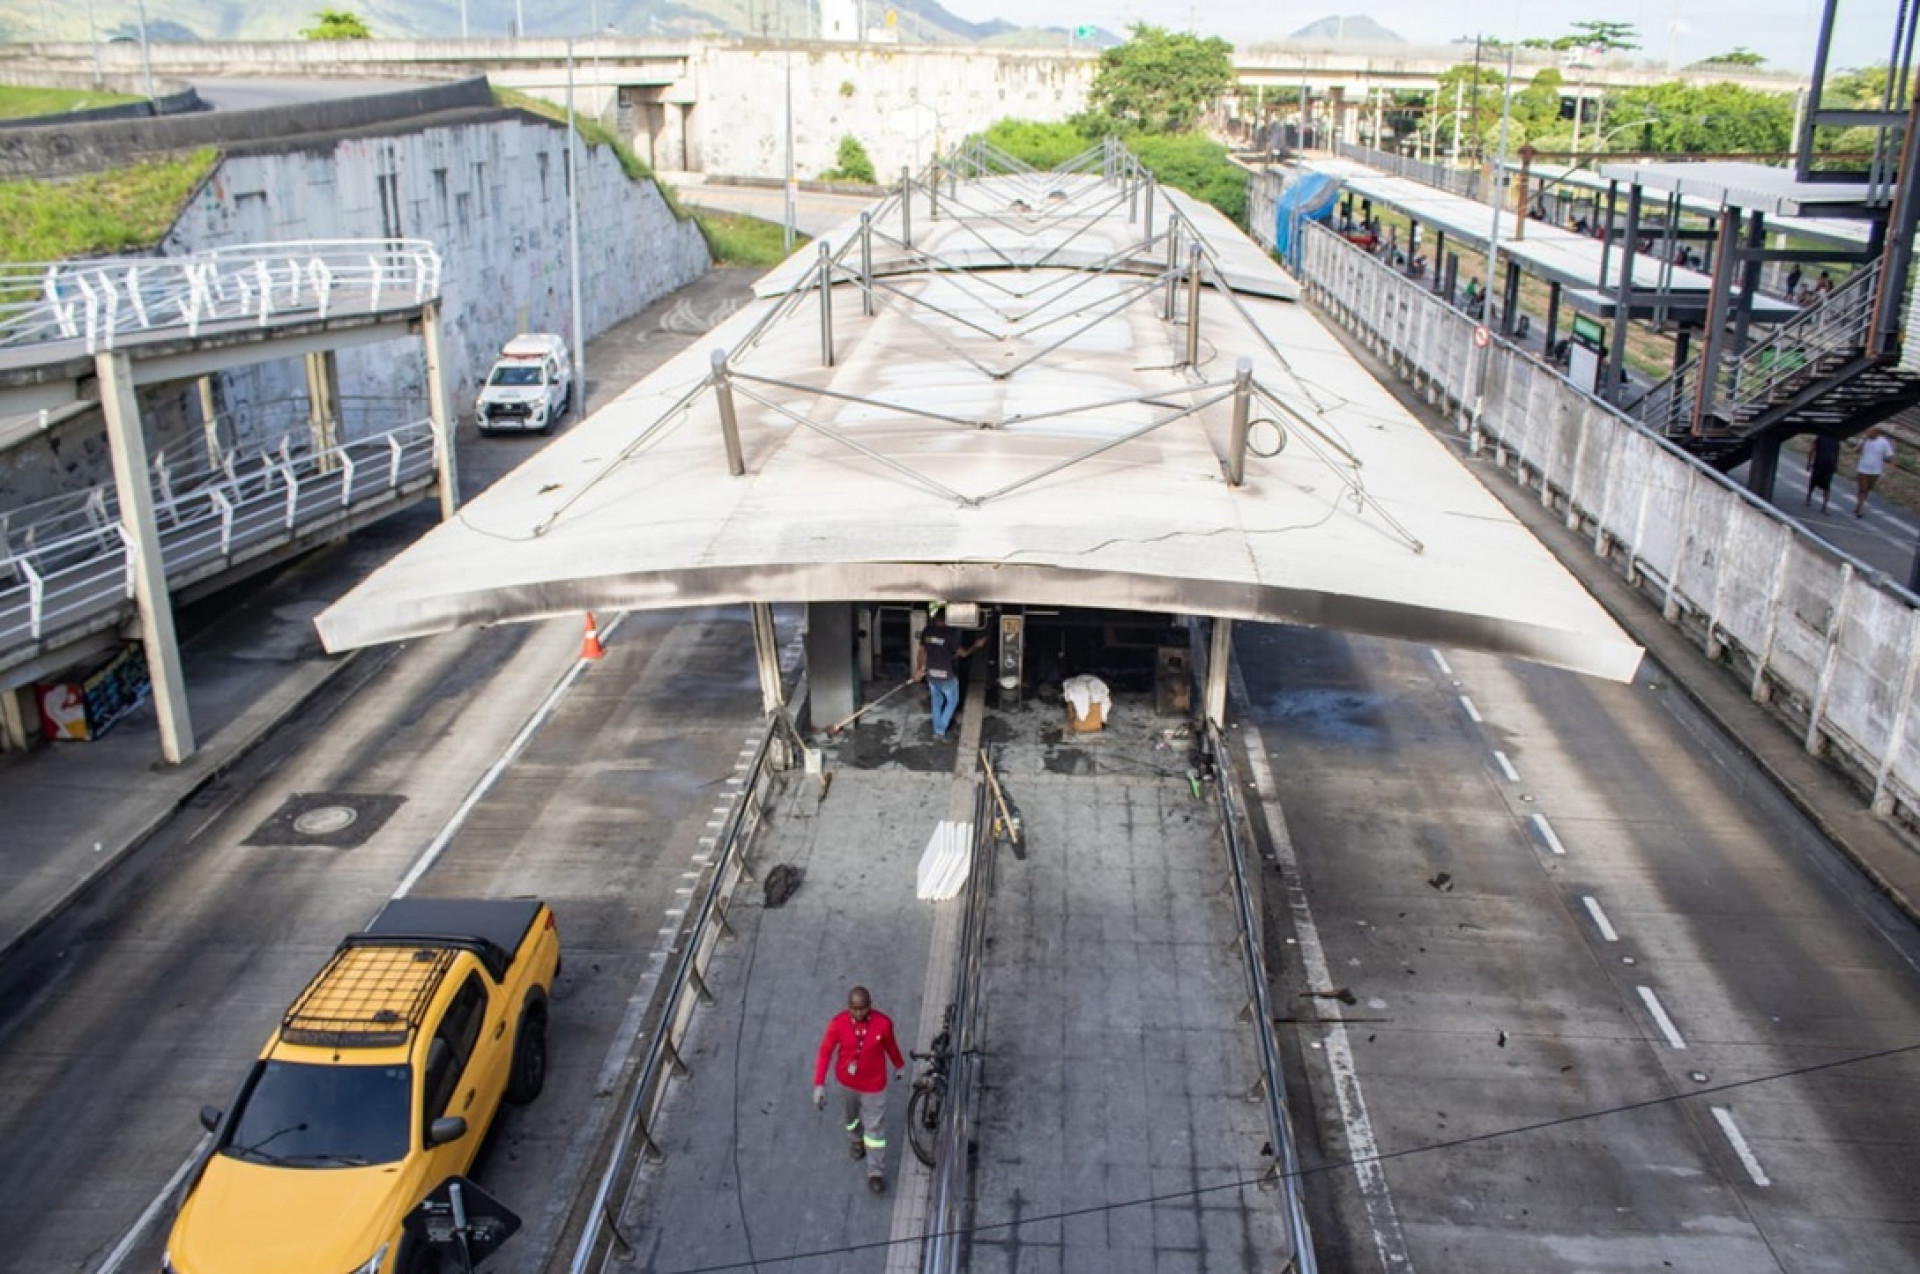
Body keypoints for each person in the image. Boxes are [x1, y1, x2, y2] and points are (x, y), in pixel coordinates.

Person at [813, 985, 905, 1195]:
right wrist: (819, 1084)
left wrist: (899, 1065)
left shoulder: (883, 1024)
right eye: (854, 1009)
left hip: (874, 1086)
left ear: (870, 1006)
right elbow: (825, 1053)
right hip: (847, 1083)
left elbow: (891, 1045)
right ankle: (856, 1138)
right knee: (851, 1117)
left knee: (875, 1129)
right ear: (848, 1007)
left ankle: (875, 1172)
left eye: (863, 1008)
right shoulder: (837, 1024)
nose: (859, 1012)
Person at [912, 604, 984, 740]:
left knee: (936, 701)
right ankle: (940, 729)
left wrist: (918, 669)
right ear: (947, 619)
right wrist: (976, 645)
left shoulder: (927, 631)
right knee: (952, 701)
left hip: (931, 674)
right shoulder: (950, 634)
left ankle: (936, 728)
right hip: (947, 675)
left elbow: (921, 651)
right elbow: (963, 654)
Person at [1854, 426, 1895, 517]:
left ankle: (1859, 505)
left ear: (1877, 433)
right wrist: (1863, 441)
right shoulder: (1864, 440)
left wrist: (1891, 465)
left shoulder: (1883, 442)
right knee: (1863, 489)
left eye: (1871, 433)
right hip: (1863, 469)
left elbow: (1889, 455)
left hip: (1875, 471)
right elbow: (1857, 450)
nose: (1868, 434)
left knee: (1867, 489)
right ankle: (1859, 509)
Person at [1806, 433, 1841, 513]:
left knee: (1827, 486)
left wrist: (1835, 465)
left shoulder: (1836, 441)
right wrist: (1809, 462)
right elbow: (1812, 450)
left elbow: (1836, 455)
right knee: (1813, 483)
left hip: (1829, 466)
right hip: (1819, 464)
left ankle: (1824, 506)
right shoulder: (1821, 437)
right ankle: (1809, 497)